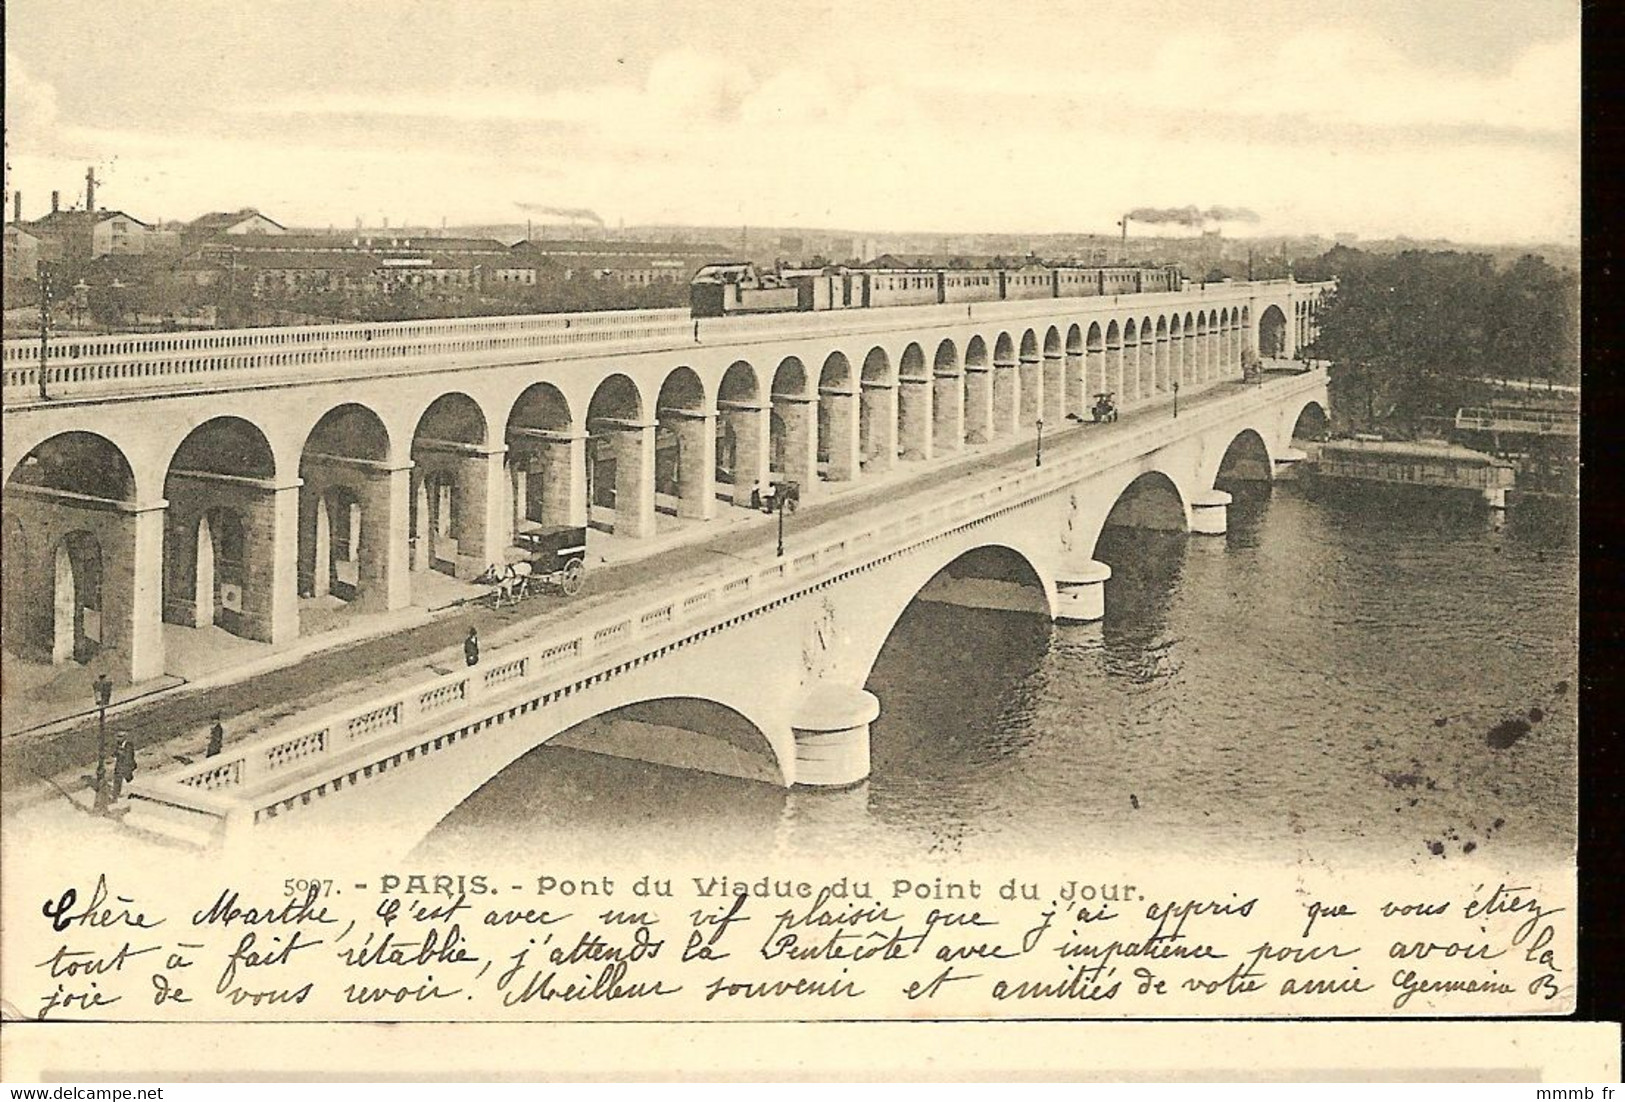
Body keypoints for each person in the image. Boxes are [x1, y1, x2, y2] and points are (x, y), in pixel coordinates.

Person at [111, 735, 137, 801]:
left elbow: (128, 757)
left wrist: (121, 752)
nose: (117, 739)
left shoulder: (129, 745)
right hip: (119, 766)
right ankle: (115, 796)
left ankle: (120, 795)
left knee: (127, 779)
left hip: (125, 766)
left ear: (123, 738)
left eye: (119, 737)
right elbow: (115, 754)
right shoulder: (118, 745)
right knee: (117, 781)